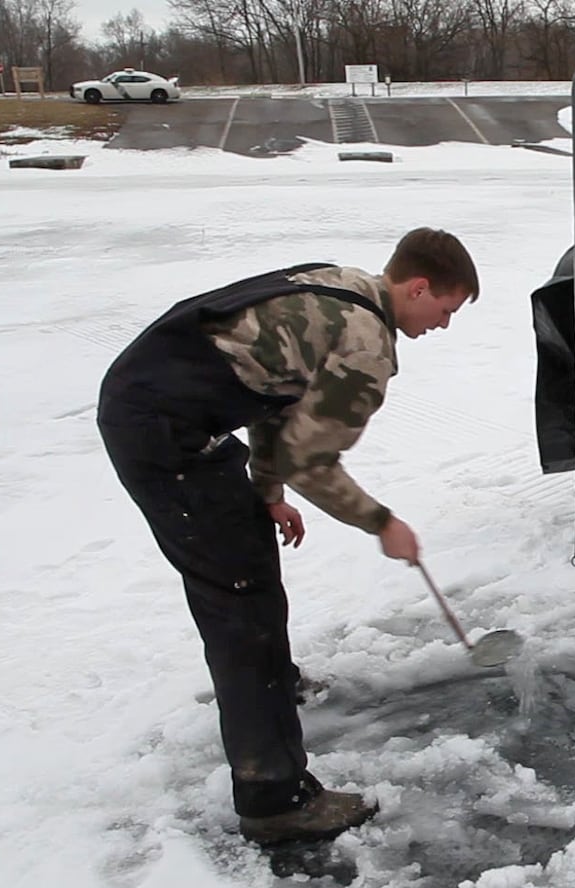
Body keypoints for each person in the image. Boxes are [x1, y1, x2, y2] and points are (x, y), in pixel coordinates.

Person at [97, 228, 480, 842]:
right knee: (240, 603)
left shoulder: (343, 285)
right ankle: (274, 799)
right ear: (418, 287)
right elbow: (312, 459)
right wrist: (382, 523)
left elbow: (279, 402)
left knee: (248, 558)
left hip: (175, 410)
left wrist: (268, 494)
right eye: (445, 309)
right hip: (164, 431)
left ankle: (277, 685)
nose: (444, 324)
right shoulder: (365, 346)